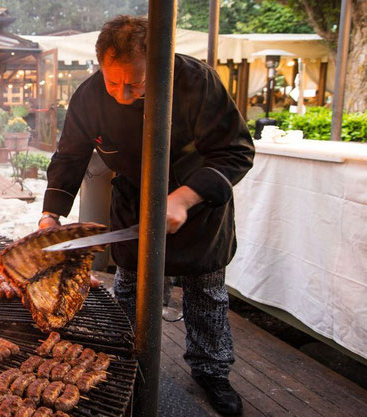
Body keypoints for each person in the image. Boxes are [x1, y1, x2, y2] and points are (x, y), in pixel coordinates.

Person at [38, 15, 254, 416]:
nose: (122, 94)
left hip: (198, 203)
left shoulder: (197, 81)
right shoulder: (88, 96)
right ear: (100, 64)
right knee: (130, 289)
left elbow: (236, 151)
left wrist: (184, 199)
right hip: (134, 203)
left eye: (135, 84)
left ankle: (212, 371)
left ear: (160, 64)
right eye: (113, 82)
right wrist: (51, 216)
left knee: (205, 291)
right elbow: (70, 156)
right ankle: (126, 359)